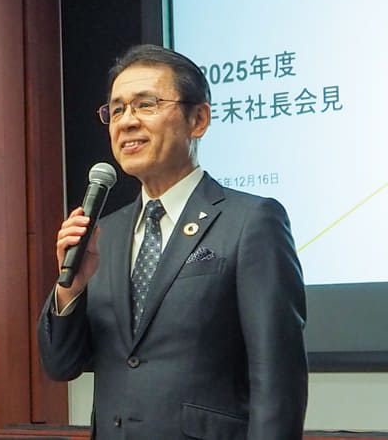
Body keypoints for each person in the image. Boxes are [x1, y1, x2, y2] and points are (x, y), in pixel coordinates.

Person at [37, 44, 307, 439]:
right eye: (116, 110)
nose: (127, 122)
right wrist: (71, 290)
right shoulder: (103, 235)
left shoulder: (251, 220)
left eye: (146, 105)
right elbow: (61, 364)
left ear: (198, 119)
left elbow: (278, 375)